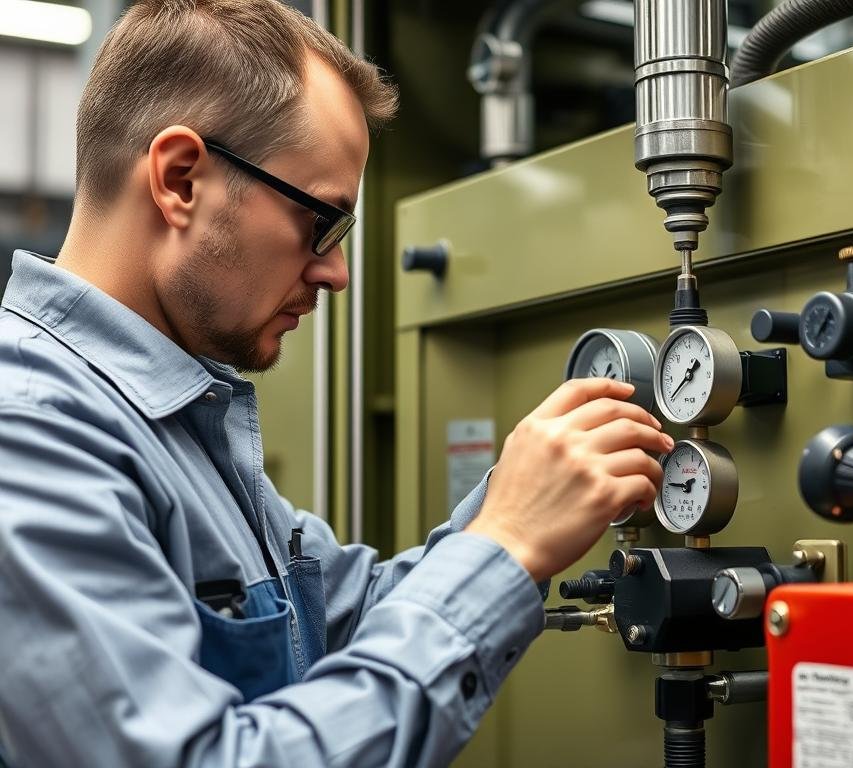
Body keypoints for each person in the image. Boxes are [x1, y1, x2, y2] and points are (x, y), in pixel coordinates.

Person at [0, 1, 672, 765]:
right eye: (320, 222)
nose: (337, 273)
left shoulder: (179, 422)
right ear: (180, 179)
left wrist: (522, 498)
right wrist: (505, 545)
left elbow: (340, 622)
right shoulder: (29, 433)